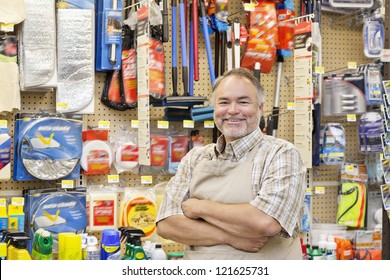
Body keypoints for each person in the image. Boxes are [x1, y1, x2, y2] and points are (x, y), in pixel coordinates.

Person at [156, 67, 306, 259]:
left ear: (260, 108)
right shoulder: (195, 158)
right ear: (215, 109)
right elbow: (166, 224)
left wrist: (200, 208)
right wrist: (230, 237)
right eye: (224, 102)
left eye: (243, 102)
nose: (233, 110)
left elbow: (266, 221)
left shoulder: (281, 154)